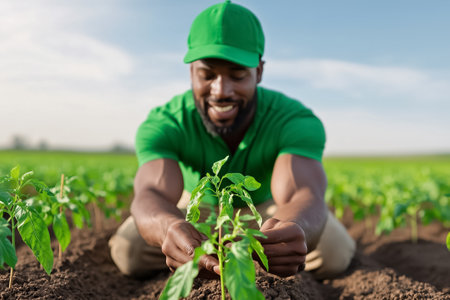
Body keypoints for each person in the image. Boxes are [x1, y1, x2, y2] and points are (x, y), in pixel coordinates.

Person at [109, 0, 355, 280]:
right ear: (191, 73)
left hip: (264, 211)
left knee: (333, 253)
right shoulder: (167, 122)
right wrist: (168, 228)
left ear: (259, 73)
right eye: (207, 75)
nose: (221, 90)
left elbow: (304, 194)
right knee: (129, 252)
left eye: (237, 75)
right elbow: (151, 194)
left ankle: (260, 253)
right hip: (195, 211)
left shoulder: (292, 120)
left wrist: (294, 228)